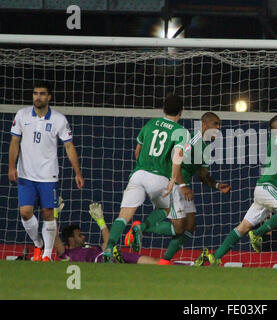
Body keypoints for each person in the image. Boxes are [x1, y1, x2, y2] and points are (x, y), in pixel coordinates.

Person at [194, 105, 277, 266]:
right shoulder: (276, 139)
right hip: (267, 187)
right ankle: (257, 233)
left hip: (265, 190)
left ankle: (216, 256)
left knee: (243, 227)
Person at [125, 112, 231, 265]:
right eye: (215, 124)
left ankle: (164, 259)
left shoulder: (205, 148)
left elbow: (202, 174)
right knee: (180, 227)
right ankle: (141, 229)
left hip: (181, 186)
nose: (218, 128)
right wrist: (182, 185)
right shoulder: (193, 141)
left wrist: (216, 185)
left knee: (190, 225)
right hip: (172, 183)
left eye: (219, 125)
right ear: (203, 125)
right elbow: (176, 161)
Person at [103, 93, 190, 262]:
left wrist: (144, 167)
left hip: (138, 174)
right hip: (160, 178)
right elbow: (177, 155)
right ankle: (141, 228)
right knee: (174, 219)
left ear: (163, 109)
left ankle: (108, 248)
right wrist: (173, 179)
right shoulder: (182, 131)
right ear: (181, 112)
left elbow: (137, 152)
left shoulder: (150, 124)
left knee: (123, 215)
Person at [8, 81, 84, 262]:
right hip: (25, 174)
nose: (38, 97)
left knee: (48, 213)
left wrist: (77, 172)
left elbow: (69, 146)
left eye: (42, 94)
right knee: (25, 212)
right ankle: (38, 243)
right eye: (35, 93)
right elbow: (14, 143)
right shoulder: (22, 115)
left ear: (49, 97)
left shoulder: (58, 119)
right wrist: (11, 166)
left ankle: (47, 255)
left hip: (48, 175)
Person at [53, 200, 157, 264]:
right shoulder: (65, 254)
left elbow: (109, 243)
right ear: (71, 239)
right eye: (80, 235)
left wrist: (100, 221)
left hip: (109, 255)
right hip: (100, 262)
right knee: (107, 254)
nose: (84, 237)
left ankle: (167, 264)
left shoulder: (92, 248)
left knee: (153, 261)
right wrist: (54, 215)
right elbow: (54, 236)